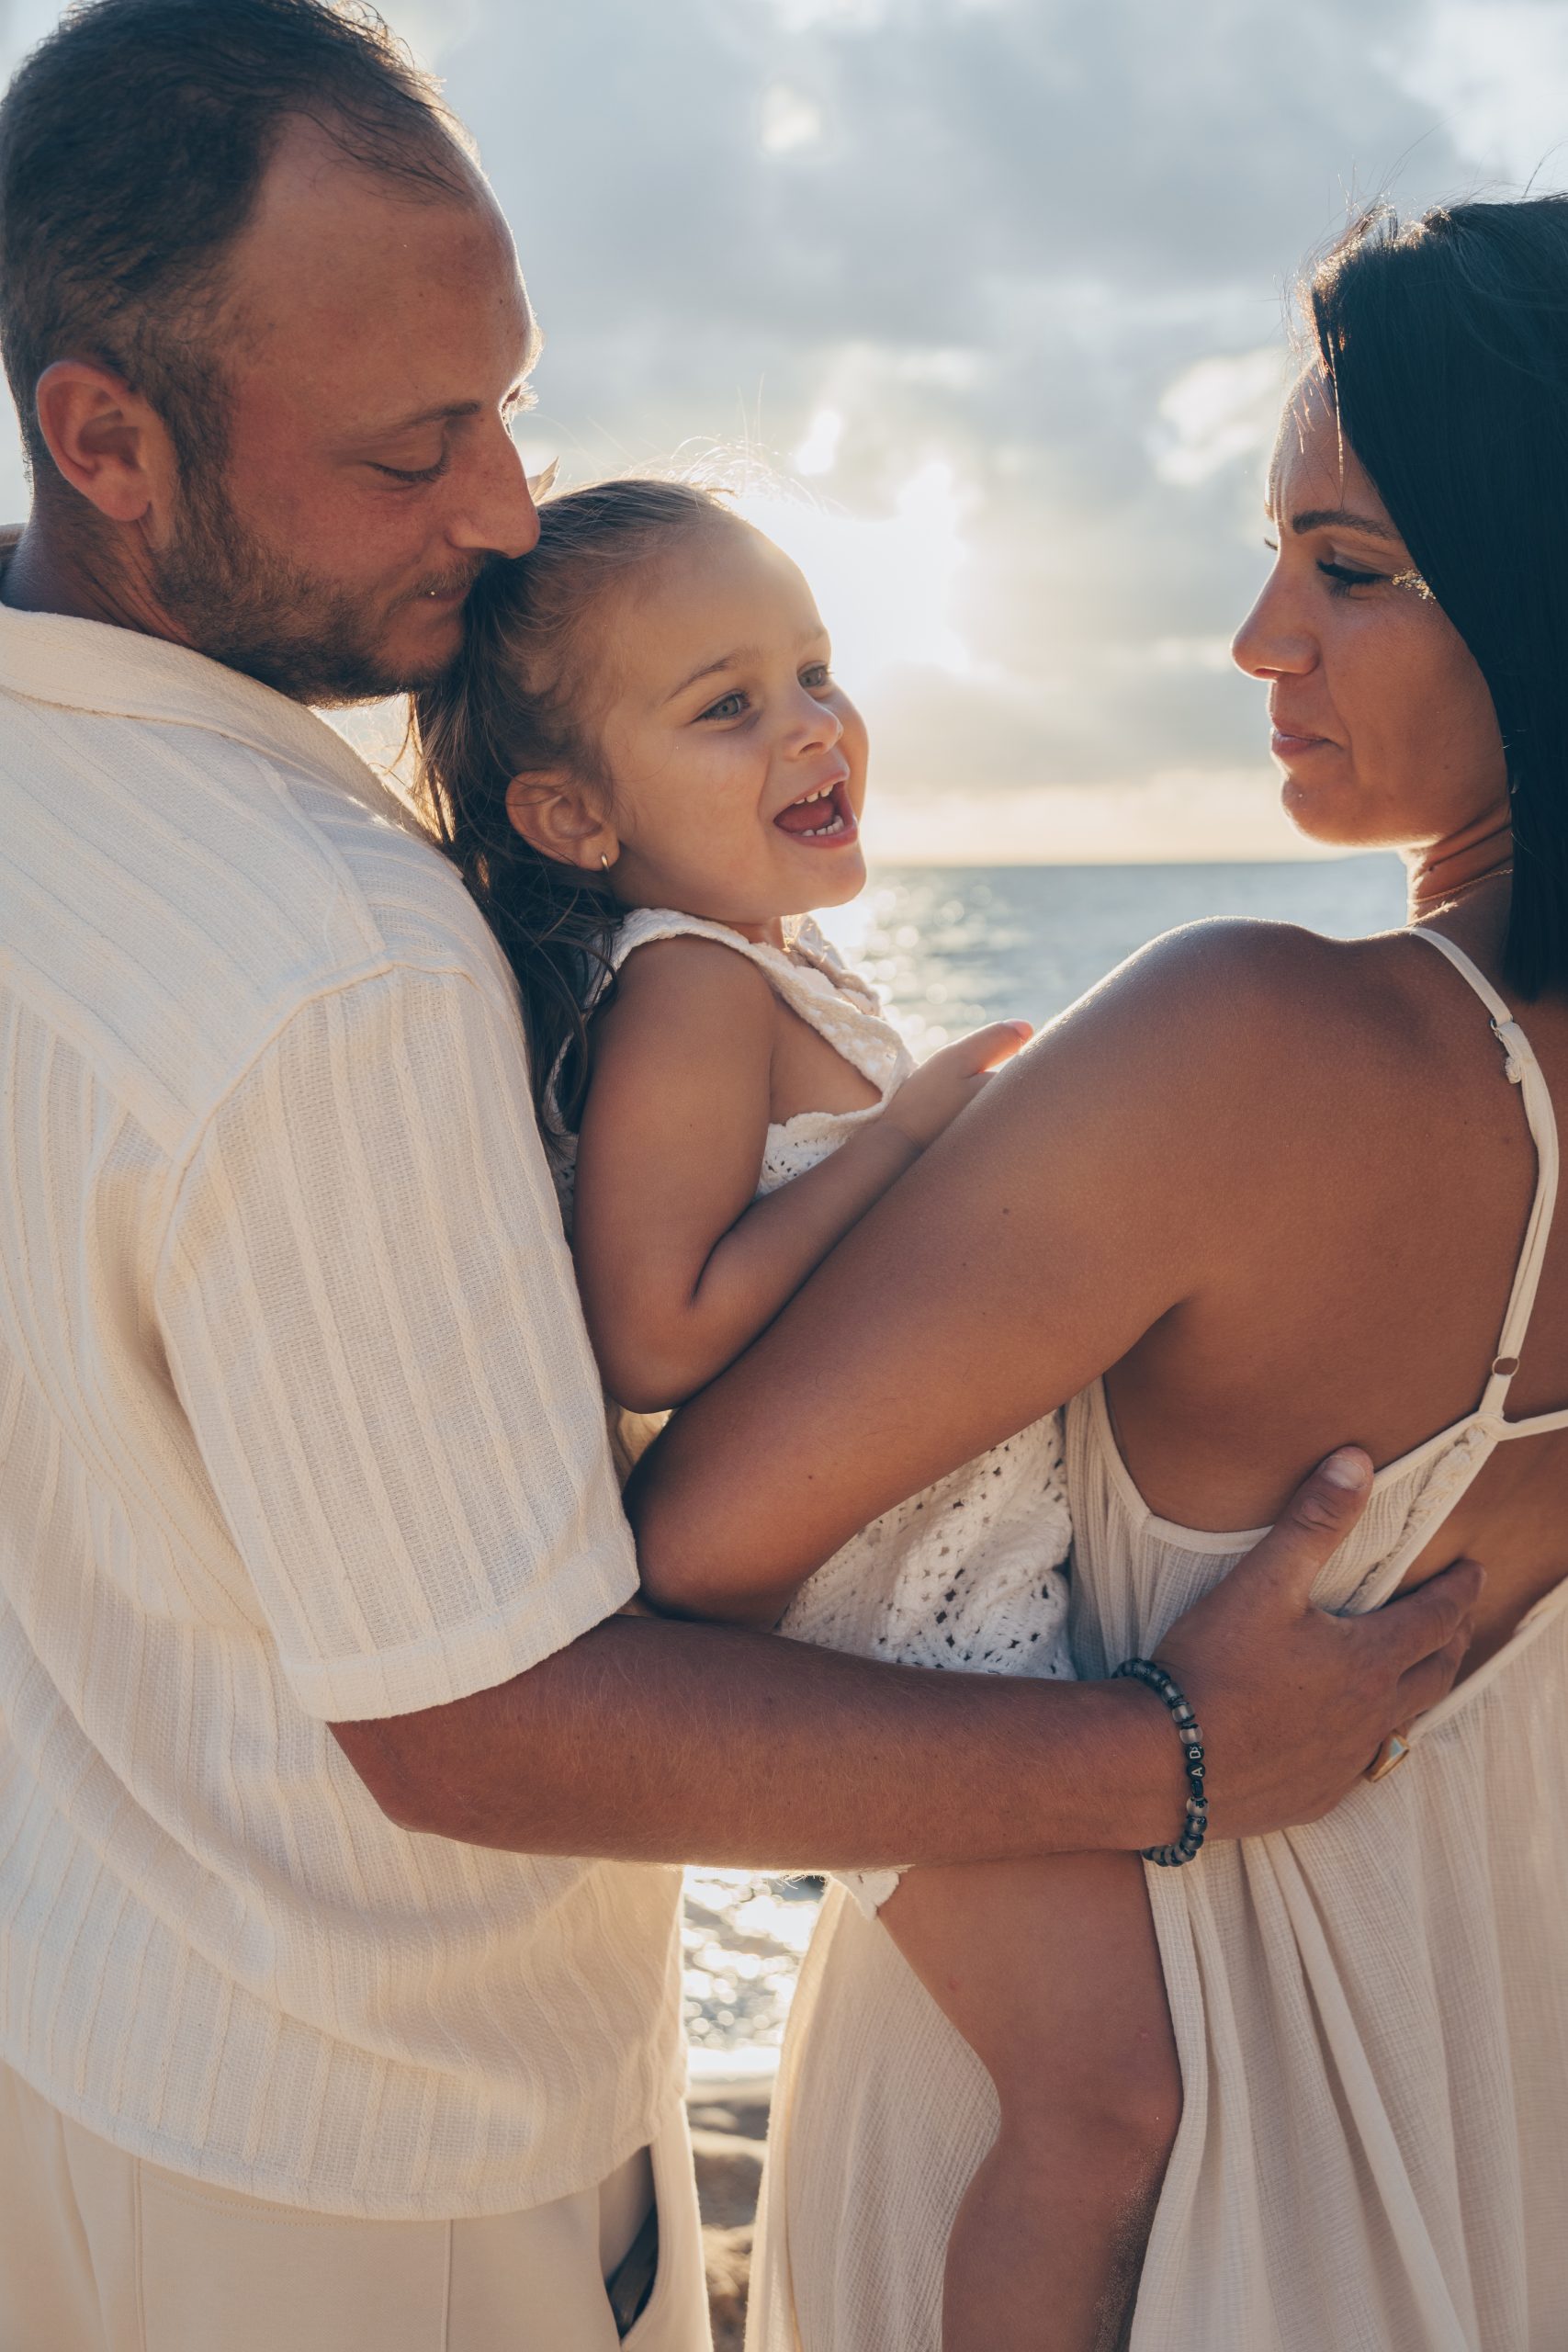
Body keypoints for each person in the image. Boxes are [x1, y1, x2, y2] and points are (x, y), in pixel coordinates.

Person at [0, 3, 1478, 2344]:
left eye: (511, 400)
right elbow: (481, 1709)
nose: (499, 509)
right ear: (109, 435)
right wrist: (1177, 1752)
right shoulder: (337, 957)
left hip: (91, 2050)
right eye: (415, 447)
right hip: (370, 2160)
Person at [630, 194, 1568, 2352]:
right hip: (1478, 2112)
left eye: (1348, 568)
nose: (1258, 637)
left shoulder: (1253, 1050)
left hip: (1127, 2112)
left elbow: (693, 1558)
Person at [411, 474, 1179, 2351]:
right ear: (571, 813)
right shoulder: (688, 983)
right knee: (1099, 2113)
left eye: (816, 665)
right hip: (897, 1630)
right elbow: (653, 1327)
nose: (813, 721)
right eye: (727, 702)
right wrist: (911, 1138)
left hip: (970, 1593)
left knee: (1097, 2087)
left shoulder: (771, 958)